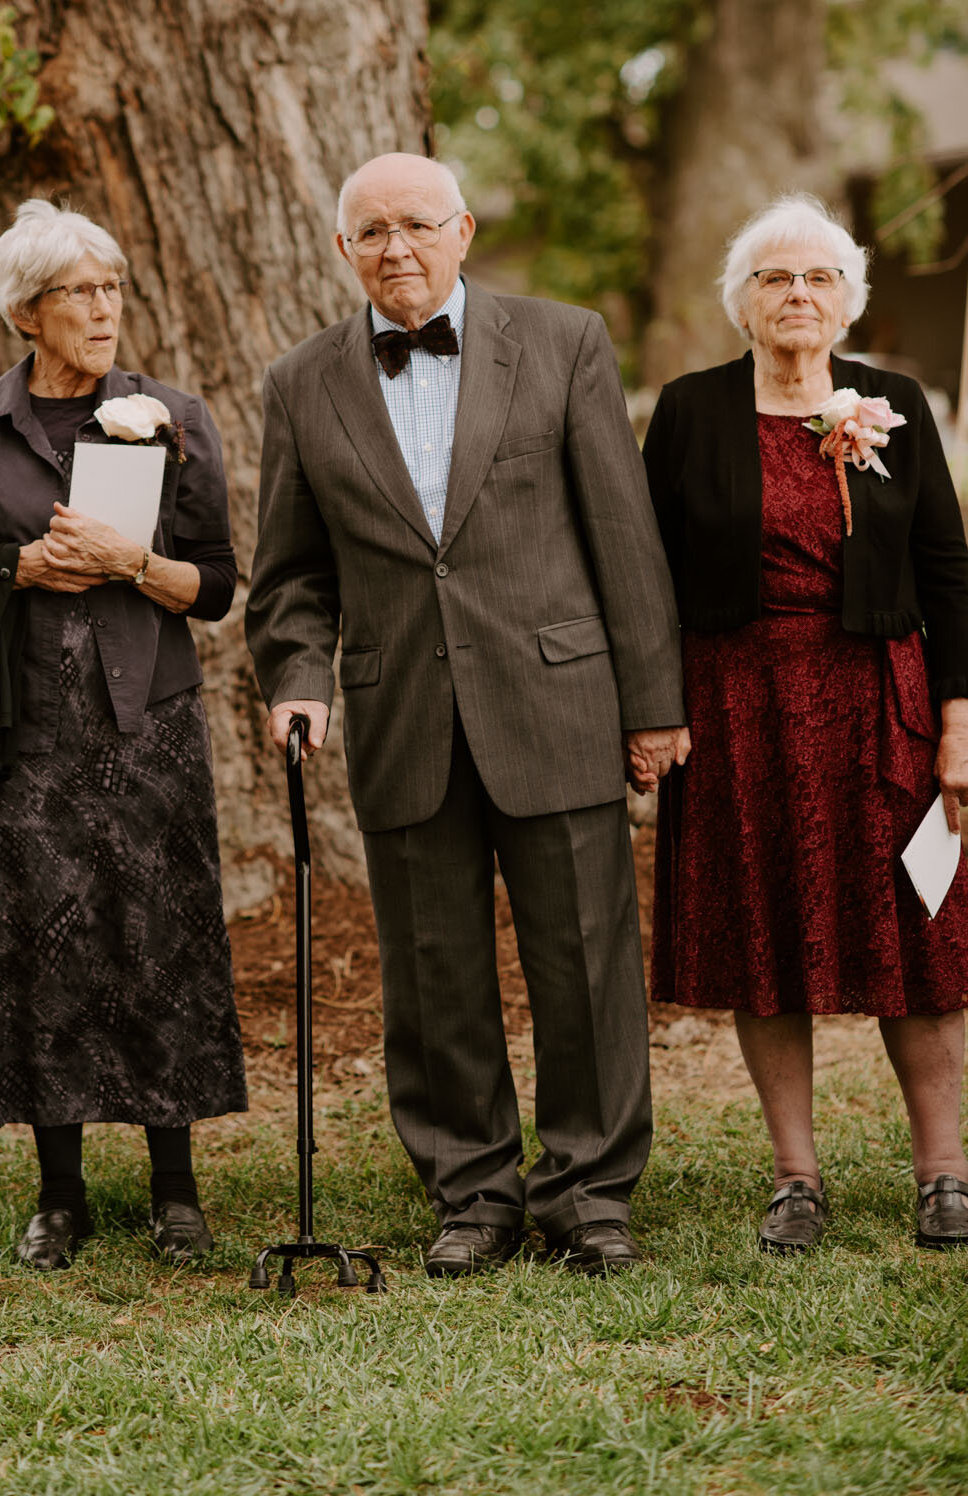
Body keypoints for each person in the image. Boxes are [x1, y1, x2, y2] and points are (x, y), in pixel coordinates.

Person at [245, 153, 684, 1276]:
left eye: (417, 224)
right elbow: (291, 573)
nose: (397, 247)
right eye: (372, 231)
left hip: (558, 696)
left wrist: (652, 702)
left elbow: (624, 536)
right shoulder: (300, 382)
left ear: (465, 230)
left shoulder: (564, 340)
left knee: (585, 959)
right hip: (405, 715)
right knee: (433, 970)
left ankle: (589, 1192)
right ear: (342, 250)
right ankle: (472, 1190)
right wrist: (298, 678)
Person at [0, 198, 246, 1269]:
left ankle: (177, 1189)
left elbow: (219, 585)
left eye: (114, 288)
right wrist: (17, 566)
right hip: (21, 730)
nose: (105, 309)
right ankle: (60, 1193)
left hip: (150, 724)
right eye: (82, 292)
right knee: (38, 952)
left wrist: (132, 561)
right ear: (26, 311)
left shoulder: (172, 414)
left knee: (160, 942)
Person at [643, 192, 968, 1253]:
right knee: (762, 935)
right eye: (776, 277)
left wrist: (959, 721)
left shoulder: (894, 398)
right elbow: (647, 570)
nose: (797, 294)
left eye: (819, 277)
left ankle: (946, 1172)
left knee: (915, 936)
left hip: (884, 707)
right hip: (740, 710)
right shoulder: (692, 409)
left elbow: (948, 571)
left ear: (848, 299)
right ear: (742, 302)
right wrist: (652, 707)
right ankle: (796, 1175)